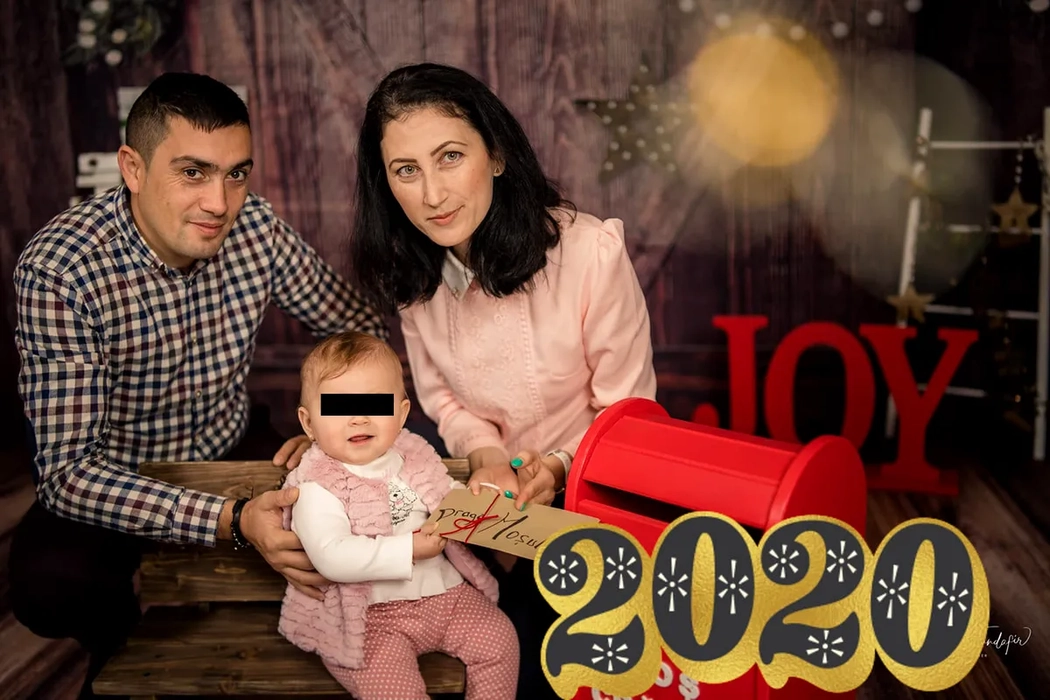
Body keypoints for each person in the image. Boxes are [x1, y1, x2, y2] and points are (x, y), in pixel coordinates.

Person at [8, 72, 386, 699]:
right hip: (115, 475)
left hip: (228, 442)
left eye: (237, 174)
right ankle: (122, 638)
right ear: (132, 168)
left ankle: (269, 641)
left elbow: (358, 326)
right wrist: (230, 521)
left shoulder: (255, 227)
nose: (220, 202)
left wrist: (331, 426)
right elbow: (68, 474)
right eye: (192, 173)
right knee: (46, 586)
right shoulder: (61, 269)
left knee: (341, 535)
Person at [349, 62, 658, 699]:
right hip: (492, 511)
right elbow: (440, 397)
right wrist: (485, 453)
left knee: (562, 666)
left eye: (450, 157)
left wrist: (558, 468)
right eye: (406, 170)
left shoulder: (590, 254)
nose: (432, 194)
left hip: (598, 502)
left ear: (495, 155)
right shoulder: (413, 274)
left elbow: (629, 409)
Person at [278, 330, 518, 699]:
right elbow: (332, 555)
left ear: (401, 412)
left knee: (499, 639)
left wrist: (480, 503)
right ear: (309, 423)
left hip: (445, 597)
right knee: (394, 690)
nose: (358, 418)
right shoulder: (317, 485)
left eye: (375, 404)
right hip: (369, 618)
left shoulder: (414, 456)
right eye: (338, 407)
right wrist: (409, 549)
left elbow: (445, 497)